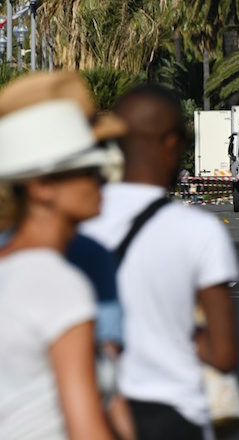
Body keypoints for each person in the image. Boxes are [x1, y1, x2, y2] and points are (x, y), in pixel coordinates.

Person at [81, 83, 239, 440]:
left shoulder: (82, 221)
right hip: (174, 413)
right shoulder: (198, 230)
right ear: (172, 143)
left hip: (94, 408)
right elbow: (224, 353)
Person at [0, 72, 120, 439]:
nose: (103, 178)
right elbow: (86, 429)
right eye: (87, 169)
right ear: (42, 186)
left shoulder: (10, 269)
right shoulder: (59, 283)